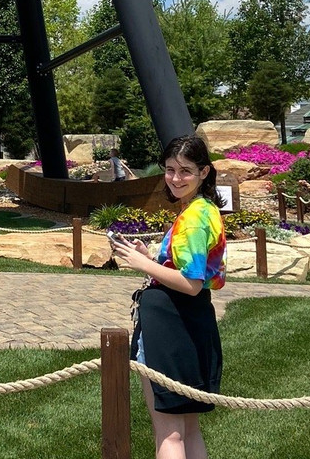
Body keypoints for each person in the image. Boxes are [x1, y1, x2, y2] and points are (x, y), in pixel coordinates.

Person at [110, 134, 226, 459]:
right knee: (188, 428)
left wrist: (143, 264)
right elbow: (192, 273)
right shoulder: (205, 210)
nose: (175, 178)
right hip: (192, 321)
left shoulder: (193, 219)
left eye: (185, 170)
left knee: (169, 432)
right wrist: (154, 258)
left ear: (204, 172)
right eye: (170, 169)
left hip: (170, 326)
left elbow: (191, 283)